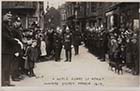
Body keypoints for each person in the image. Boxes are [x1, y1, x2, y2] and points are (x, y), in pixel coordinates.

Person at [2, 12, 19, 86]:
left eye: (10, 17)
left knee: (8, 67)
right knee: (5, 67)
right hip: (5, 50)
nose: (9, 18)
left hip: (8, 50)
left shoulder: (7, 26)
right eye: (8, 16)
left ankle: (7, 82)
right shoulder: (3, 26)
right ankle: (3, 82)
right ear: (3, 16)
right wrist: (16, 41)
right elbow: (6, 37)